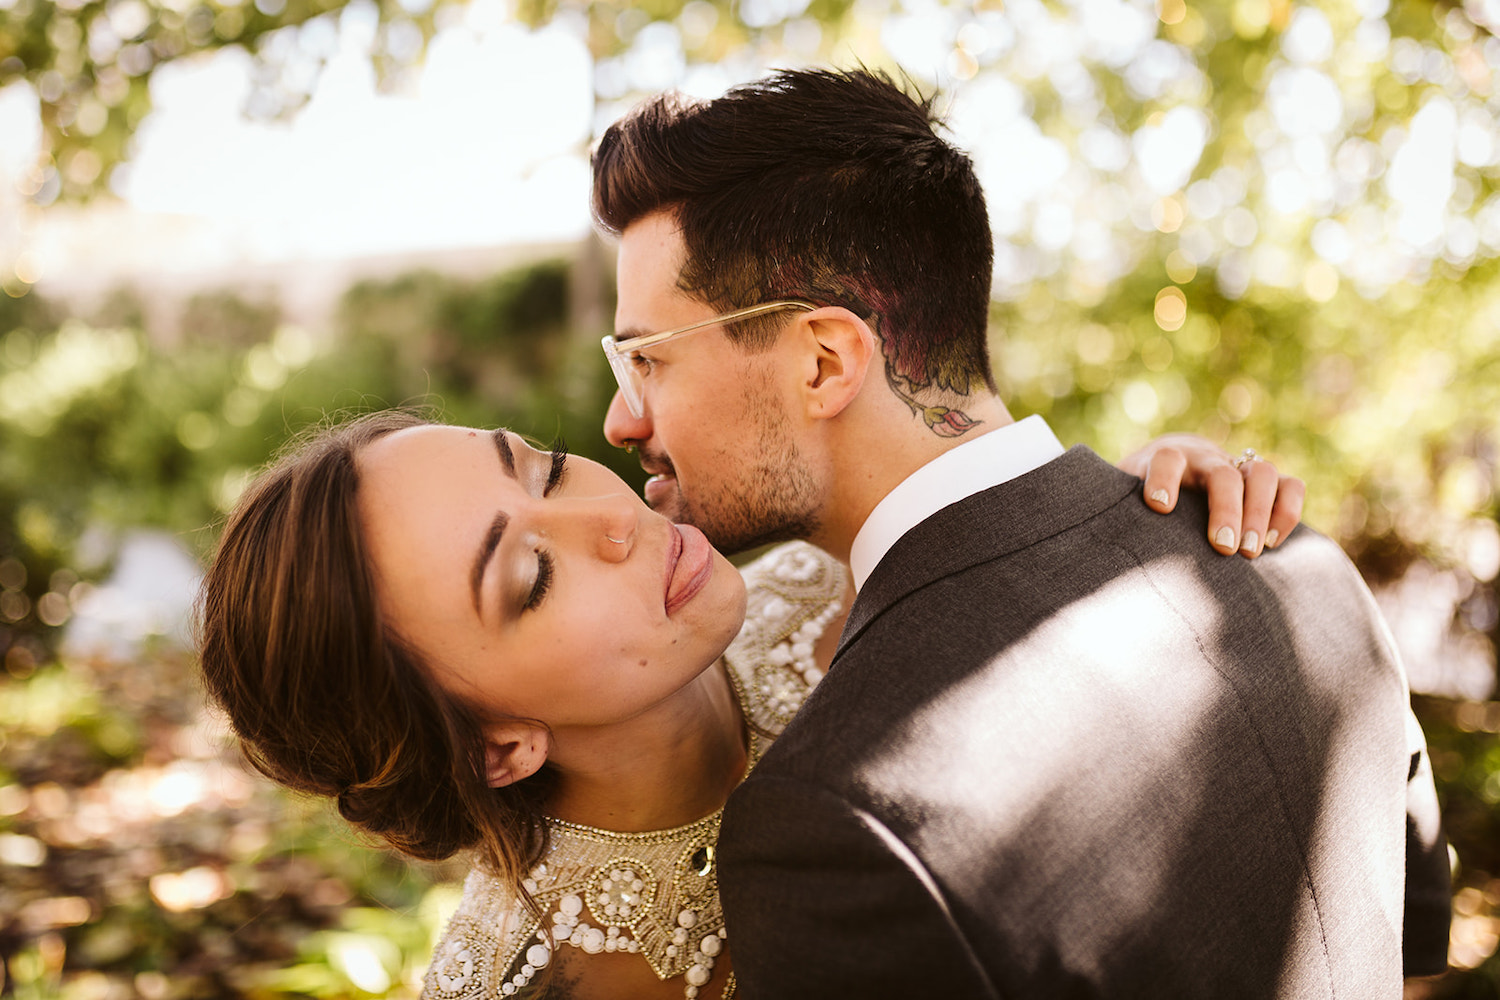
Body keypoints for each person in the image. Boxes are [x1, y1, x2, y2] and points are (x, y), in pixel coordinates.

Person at [589, 68, 1450, 997]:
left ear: (824, 361)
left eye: (647, 360)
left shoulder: (840, 821)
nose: (620, 420)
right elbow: (1404, 946)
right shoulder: (1293, 561)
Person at [197, 411, 1305, 1000]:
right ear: (496, 748)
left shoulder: (839, 583)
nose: (612, 521)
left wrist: (1142, 516)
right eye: (529, 578)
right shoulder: (546, 989)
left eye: (538, 468)